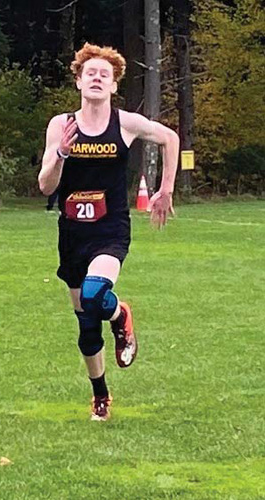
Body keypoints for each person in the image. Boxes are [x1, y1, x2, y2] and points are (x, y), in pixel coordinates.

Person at [38, 43, 178, 421]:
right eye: (90, 73)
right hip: (72, 234)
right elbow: (46, 187)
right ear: (79, 81)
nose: (97, 78)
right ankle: (100, 393)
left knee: (95, 293)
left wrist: (165, 189)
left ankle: (120, 316)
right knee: (86, 326)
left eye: (105, 75)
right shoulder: (61, 125)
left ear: (114, 85)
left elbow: (170, 138)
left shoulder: (126, 123)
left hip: (110, 230)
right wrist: (62, 155)